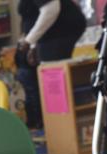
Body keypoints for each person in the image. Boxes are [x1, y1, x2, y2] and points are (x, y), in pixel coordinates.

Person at [16, 0, 86, 128]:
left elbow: (50, 9)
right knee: (50, 79)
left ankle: (63, 128)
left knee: (54, 80)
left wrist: (29, 40)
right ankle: (59, 127)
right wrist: (33, 44)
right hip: (51, 34)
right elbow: (35, 14)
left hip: (60, 31)